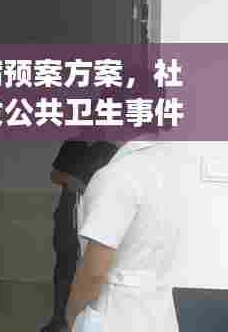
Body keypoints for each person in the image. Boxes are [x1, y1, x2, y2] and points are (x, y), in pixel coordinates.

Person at [65, 139, 182, 332]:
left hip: (117, 313)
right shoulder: (174, 175)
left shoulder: (117, 175)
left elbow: (94, 272)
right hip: (160, 314)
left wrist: (71, 315)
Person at [41, 140, 118, 332]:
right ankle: (59, 319)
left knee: (95, 266)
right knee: (65, 266)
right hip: (68, 214)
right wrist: (70, 180)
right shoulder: (72, 145)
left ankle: (90, 320)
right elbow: (54, 175)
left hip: (98, 212)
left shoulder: (108, 149)